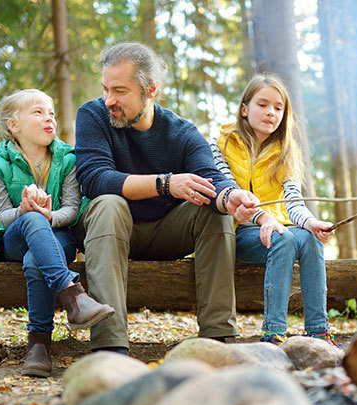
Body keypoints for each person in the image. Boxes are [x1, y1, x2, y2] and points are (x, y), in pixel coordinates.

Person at [74, 42, 259, 355]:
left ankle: (219, 340)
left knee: (216, 211)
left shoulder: (182, 131)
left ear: (151, 90)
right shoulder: (92, 115)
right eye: (106, 89)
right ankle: (110, 346)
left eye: (119, 91)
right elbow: (95, 179)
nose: (109, 100)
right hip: (109, 229)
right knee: (108, 202)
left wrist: (232, 197)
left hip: (167, 232)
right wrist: (165, 184)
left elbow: (212, 178)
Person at [0, 89, 115, 377]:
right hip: (15, 238)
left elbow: (72, 209)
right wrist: (26, 212)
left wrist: (49, 215)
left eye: (51, 112)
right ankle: (73, 295)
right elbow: (2, 215)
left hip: (58, 235)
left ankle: (39, 346)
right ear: (14, 125)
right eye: (38, 112)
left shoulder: (68, 160)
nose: (48, 117)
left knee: (35, 260)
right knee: (32, 220)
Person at [211, 73, 340, 348]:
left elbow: (293, 201)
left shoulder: (285, 151)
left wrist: (311, 224)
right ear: (244, 109)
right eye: (262, 104)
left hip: (273, 230)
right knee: (284, 237)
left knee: (308, 237)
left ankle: (318, 330)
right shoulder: (220, 143)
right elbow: (233, 195)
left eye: (278, 108)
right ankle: (274, 334)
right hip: (230, 232)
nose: (271, 112)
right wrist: (265, 219)